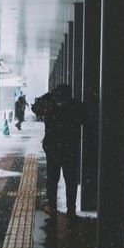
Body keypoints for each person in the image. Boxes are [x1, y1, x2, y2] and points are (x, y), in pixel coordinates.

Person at [31, 84, 85, 218]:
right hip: (70, 150)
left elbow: (35, 107)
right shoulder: (75, 106)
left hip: (53, 150)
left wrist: (47, 95)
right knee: (70, 180)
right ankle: (71, 209)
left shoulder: (50, 106)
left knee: (52, 179)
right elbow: (87, 118)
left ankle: (52, 206)